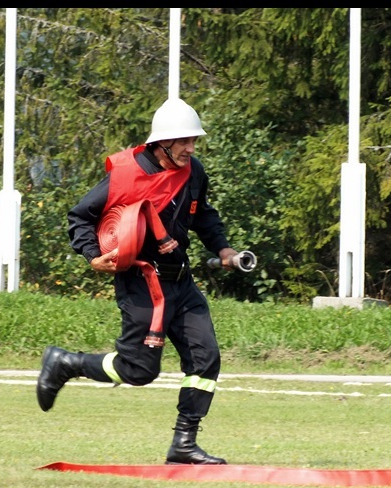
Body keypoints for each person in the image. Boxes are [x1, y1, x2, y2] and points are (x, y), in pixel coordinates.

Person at [36, 97, 243, 465]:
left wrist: (224, 250)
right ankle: (66, 363)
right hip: (142, 285)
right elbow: (79, 217)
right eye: (184, 141)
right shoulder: (126, 174)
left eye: (194, 140)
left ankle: (183, 444)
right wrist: (91, 255)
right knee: (139, 370)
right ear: (161, 142)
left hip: (182, 283)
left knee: (205, 358)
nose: (191, 148)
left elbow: (204, 216)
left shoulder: (193, 172)